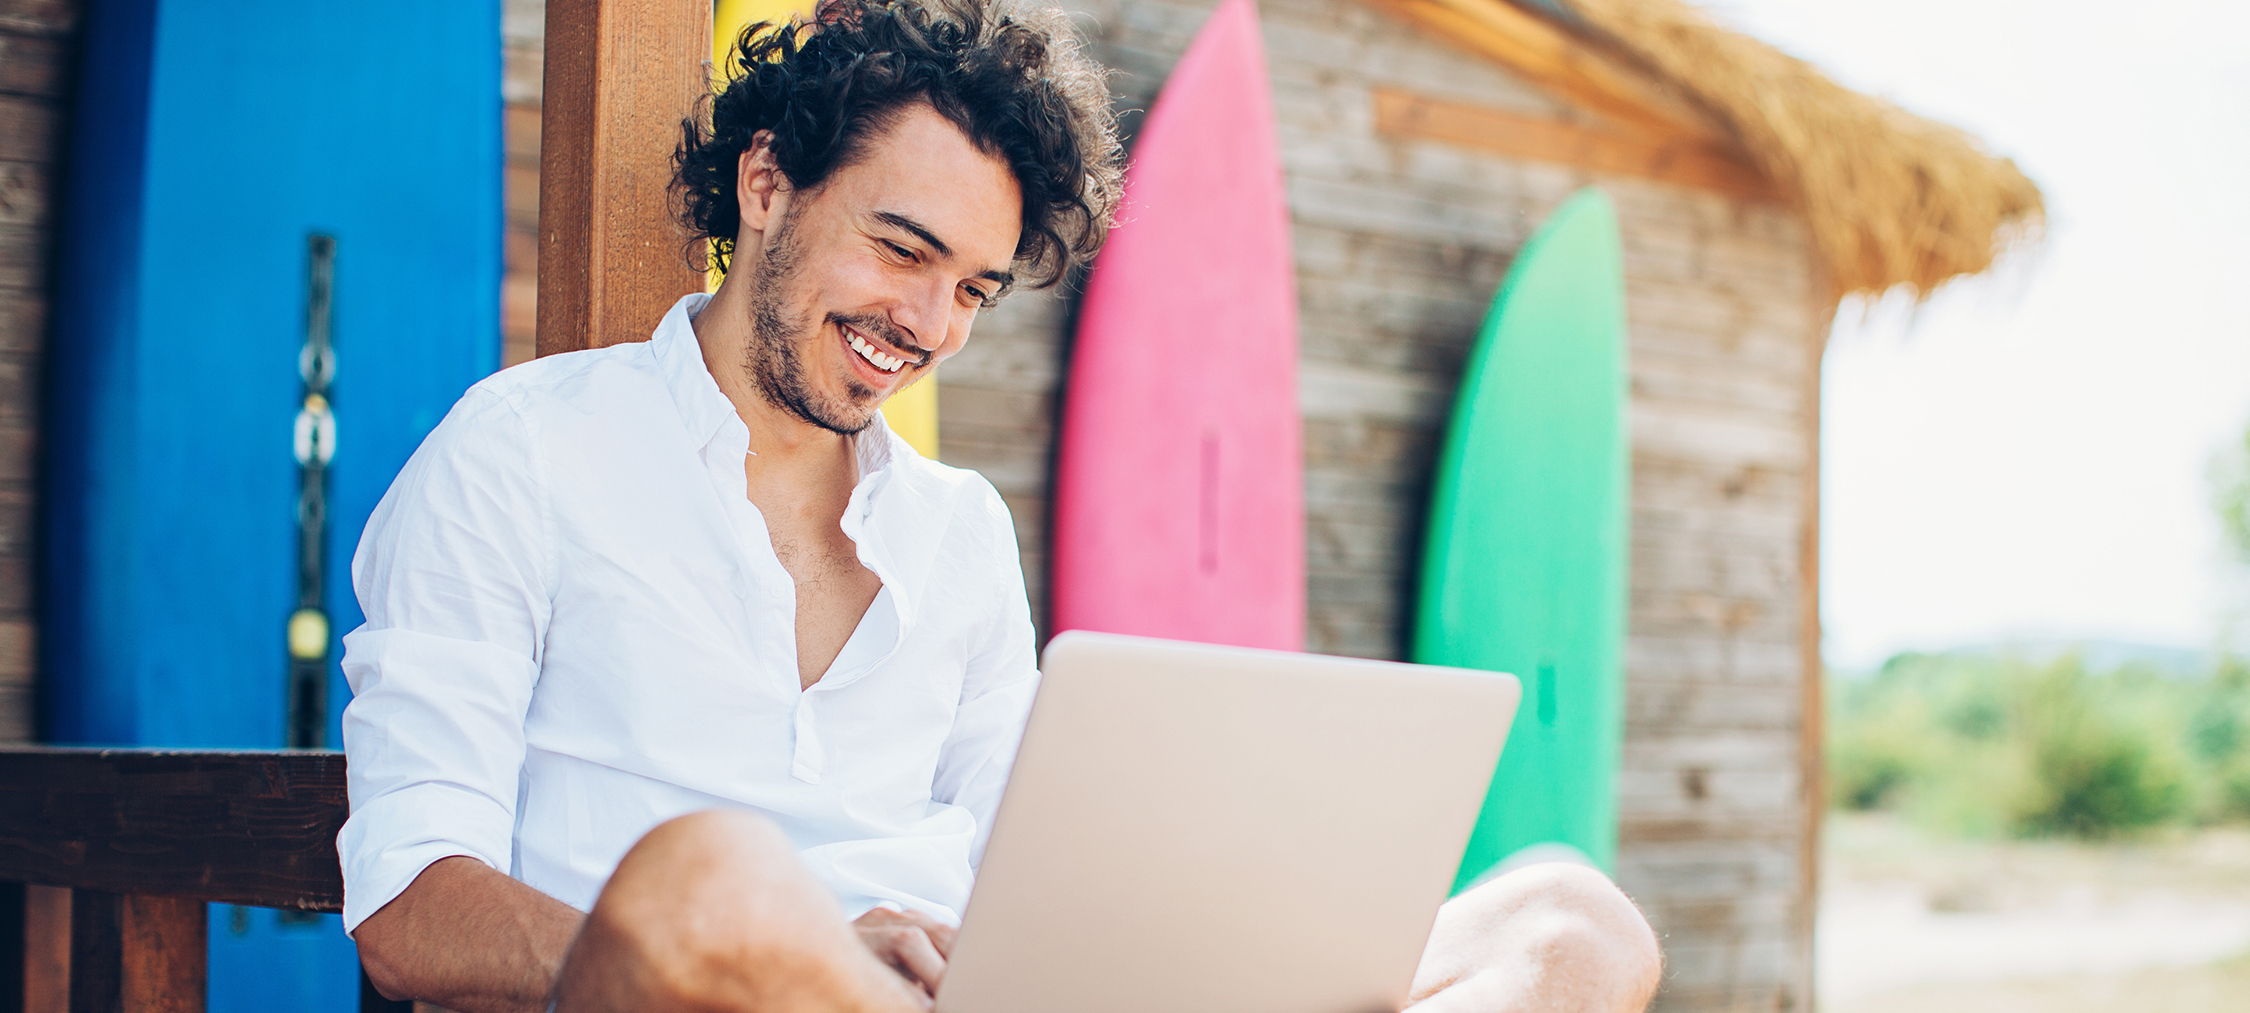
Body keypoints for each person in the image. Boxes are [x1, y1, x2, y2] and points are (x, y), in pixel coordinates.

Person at [341, 1, 1662, 1010]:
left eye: (970, 288)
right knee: (714, 872)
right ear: (765, 186)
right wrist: (802, 951)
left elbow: (1032, 854)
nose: (926, 324)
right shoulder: (519, 454)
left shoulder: (955, 528)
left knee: (1568, 918)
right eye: (902, 250)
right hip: (698, 983)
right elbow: (406, 905)